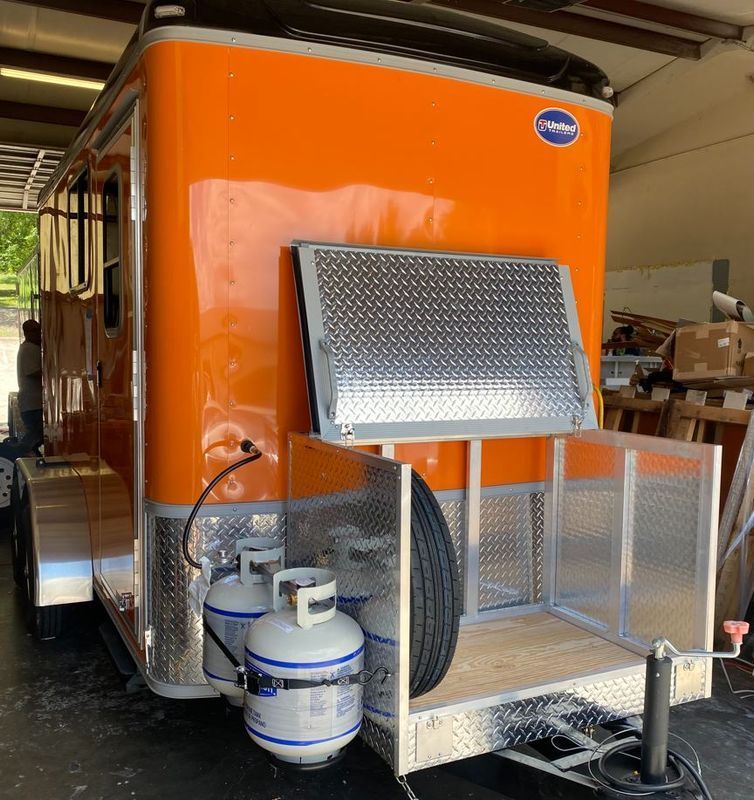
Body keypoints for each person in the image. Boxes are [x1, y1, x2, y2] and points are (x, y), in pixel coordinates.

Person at [17, 319, 43, 450]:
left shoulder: (30, 347)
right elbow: (32, 372)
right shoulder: (29, 349)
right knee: (34, 435)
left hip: (31, 403)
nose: (39, 333)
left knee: (36, 436)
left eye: (39, 330)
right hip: (32, 404)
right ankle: (16, 453)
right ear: (27, 333)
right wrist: (51, 375)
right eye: (35, 331)